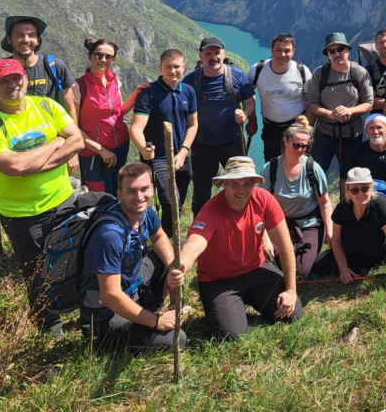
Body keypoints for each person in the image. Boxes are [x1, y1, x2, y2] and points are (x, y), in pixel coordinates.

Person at [0, 58, 84, 336]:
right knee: (36, 274)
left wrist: (30, 163)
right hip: (21, 214)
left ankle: (83, 315)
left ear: (26, 78)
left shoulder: (46, 105)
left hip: (62, 201)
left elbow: (77, 140)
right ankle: (50, 331)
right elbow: (13, 167)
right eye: (4, 81)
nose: (13, 85)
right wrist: (57, 143)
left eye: (17, 78)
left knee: (73, 260)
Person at [170, 157, 302, 340]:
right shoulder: (211, 211)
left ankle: (247, 301)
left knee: (292, 314)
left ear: (255, 183)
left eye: (247, 183)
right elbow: (194, 244)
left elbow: (286, 245)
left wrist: (291, 291)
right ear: (224, 184)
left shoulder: (264, 199)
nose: (241, 190)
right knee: (231, 335)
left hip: (257, 269)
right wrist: (182, 266)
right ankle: (228, 306)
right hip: (219, 280)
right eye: (235, 184)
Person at [78, 162, 185, 351]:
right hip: (106, 314)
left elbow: (159, 236)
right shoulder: (109, 235)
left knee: (179, 246)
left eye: (144, 189)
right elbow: (110, 295)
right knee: (177, 339)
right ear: (119, 195)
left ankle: (145, 306)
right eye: (131, 191)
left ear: (152, 188)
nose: (139, 197)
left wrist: (171, 270)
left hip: (129, 286)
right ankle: (110, 340)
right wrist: (156, 321)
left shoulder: (145, 213)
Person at [0, 15, 79, 174]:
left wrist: (71, 152)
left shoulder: (55, 67)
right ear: (9, 39)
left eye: (31, 35)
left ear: (38, 40)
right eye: (19, 35)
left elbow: (70, 110)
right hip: (16, 151)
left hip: (55, 149)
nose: (26, 39)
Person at [311, 167, 386, 292]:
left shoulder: (381, 206)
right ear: (348, 191)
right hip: (350, 254)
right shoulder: (342, 209)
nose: (360, 194)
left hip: (377, 255)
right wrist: (343, 268)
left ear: (371, 188)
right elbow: (336, 241)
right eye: (355, 190)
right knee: (317, 266)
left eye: (365, 188)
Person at [183, 37, 256, 219]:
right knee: (201, 190)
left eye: (217, 53)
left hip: (232, 143)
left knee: (239, 184)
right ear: (201, 56)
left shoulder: (237, 76)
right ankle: (201, 226)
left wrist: (245, 114)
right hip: (201, 145)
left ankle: (240, 221)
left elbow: (249, 102)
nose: (213, 57)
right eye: (208, 54)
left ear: (223, 54)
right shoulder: (191, 80)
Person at [130, 49, 198, 240]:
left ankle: (169, 236)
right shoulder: (149, 94)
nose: (173, 71)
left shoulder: (188, 91)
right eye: (168, 67)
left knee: (178, 202)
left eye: (177, 67)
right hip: (159, 157)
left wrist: (184, 152)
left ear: (183, 67)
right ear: (160, 67)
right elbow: (136, 127)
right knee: (170, 201)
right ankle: (165, 241)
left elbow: (193, 124)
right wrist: (143, 148)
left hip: (182, 156)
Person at [261, 117, 334, 277]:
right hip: (278, 224)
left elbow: (325, 203)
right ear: (285, 141)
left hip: (308, 224)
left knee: (301, 272)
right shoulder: (270, 168)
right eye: (296, 145)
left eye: (305, 146)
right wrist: (264, 236)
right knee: (269, 260)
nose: (300, 149)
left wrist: (330, 231)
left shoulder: (312, 168)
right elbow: (261, 207)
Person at [75, 38, 146, 194]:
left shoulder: (115, 81)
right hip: (93, 153)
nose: (103, 60)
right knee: (99, 196)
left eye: (109, 57)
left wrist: (136, 94)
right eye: (98, 55)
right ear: (90, 56)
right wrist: (102, 151)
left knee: (118, 191)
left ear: (113, 60)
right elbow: (73, 128)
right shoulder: (78, 86)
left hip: (120, 146)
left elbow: (117, 112)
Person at [305, 32, 374, 178]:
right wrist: (330, 114)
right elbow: (312, 104)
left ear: (348, 50)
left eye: (340, 49)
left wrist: (350, 111)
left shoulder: (360, 73)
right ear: (328, 55)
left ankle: (347, 201)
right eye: (332, 51)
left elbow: (368, 103)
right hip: (324, 135)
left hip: (352, 134)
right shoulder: (319, 74)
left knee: (349, 176)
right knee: (314, 174)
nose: (337, 54)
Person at [250, 33, 312, 161]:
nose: (282, 54)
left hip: (297, 126)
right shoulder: (258, 70)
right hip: (271, 128)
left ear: (293, 52)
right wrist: (252, 120)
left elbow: (312, 101)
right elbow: (247, 96)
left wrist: (307, 128)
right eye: (278, 50)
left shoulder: (302, 71)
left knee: (298, 165)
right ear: (271, 50)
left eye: (287, 50)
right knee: (272, 167)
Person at [342, 114, 386, 215]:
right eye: (371, 128)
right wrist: (351, 208)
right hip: (364, 205)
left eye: (379, 127)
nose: (375, 132)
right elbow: (344, 181)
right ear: (366, 132)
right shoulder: (356, 152)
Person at [367, 29, 386, 113]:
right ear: (376, 46)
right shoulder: (369, 70)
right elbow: (369, 102)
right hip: (379, 118)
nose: (385, 45)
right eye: (381, 42)